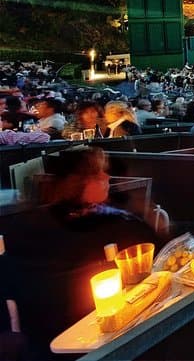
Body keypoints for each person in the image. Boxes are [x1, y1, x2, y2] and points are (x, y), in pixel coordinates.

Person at [0, 147, 159, 358]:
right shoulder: (120, 226)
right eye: (97, 173)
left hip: (40, 345)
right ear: (77, 182)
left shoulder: (20, 225)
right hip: (105, 341)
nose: (107, 176)